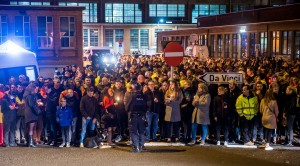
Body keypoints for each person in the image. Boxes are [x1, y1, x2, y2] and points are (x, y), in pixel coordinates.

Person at [126, 83, 147, 152]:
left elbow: (128, 106)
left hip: (134, 115)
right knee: (141, 131)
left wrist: (128, 111)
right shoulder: (143, 96)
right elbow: (147, 106)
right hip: (142, 116)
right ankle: (141, 146)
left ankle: (136, 147)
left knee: (134, 131)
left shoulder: (132, 95)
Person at [24, 83, 41, 147]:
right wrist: (37, 106)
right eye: (35, 88)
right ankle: (30, 143)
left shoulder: (27, 95)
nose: (36, 89)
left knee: (30, 128)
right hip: (31, 113)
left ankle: (29, 141)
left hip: (29, 113)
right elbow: (31, 104)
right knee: (31, 128)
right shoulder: (30, 96)